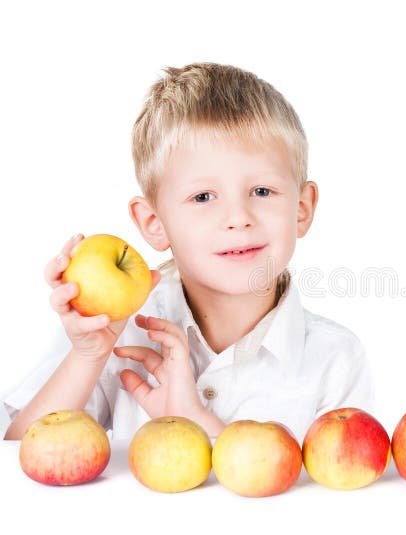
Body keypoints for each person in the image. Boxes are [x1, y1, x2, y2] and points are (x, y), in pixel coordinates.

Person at [3, 62, 372, 441]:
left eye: (262, 191)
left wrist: (196, 420)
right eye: (203, 197)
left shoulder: (335, 360)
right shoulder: (122, 336)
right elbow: (20, 454)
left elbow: (332, 496)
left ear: (302, 209)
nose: (237, 218)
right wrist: (88, 356)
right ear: (154, 223)